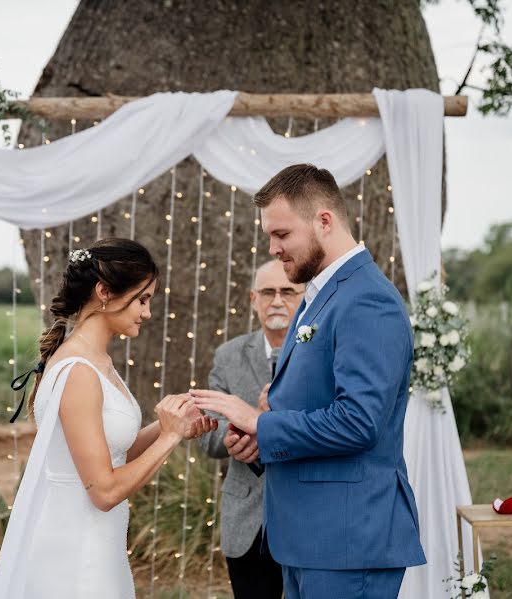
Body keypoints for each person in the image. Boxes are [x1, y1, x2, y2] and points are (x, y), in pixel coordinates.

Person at [191, 165, 426, 598]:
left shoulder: (366, 299)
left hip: (346, 541)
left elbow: (358, 421)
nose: (273, 248)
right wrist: (259, 441)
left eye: (281, 234)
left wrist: (261, 423)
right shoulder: (321, 295)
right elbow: (312, 403)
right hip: (309, 540)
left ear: (324, 220)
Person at [0, 238, 216, 599]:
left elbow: (114, 452)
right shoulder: (78, 370)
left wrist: (171, 425)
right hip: (76, 555)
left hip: (99, 544)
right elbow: (104, 491)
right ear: (104, 291)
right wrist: (168, 439)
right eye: (142, 299)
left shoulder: (98, 362)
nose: (147, 312)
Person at [198, 259, 304, 599]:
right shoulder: (228, 355)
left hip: (307, 515)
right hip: (247, 522)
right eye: (268, 292)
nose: (277, 301)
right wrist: (236, 435)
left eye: (287, 291)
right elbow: (207, 433)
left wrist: (272, 422)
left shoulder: (319, 353)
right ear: (252, 299)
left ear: (304, 297)